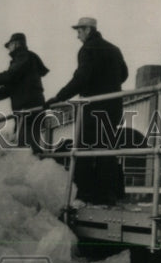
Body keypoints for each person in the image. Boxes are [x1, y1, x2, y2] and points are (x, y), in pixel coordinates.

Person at [46, 17, 129, 207]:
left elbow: (81, 78)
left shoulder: (87, 49)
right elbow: (123, 74)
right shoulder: (114, 49)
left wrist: (59, 97)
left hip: (93, 107)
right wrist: (107, 83)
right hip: (114, 107)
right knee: (107, 150)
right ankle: (107, 195)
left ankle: (84, 195)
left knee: (83, 149)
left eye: (79, 31)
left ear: (88, 30)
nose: (77, 36)